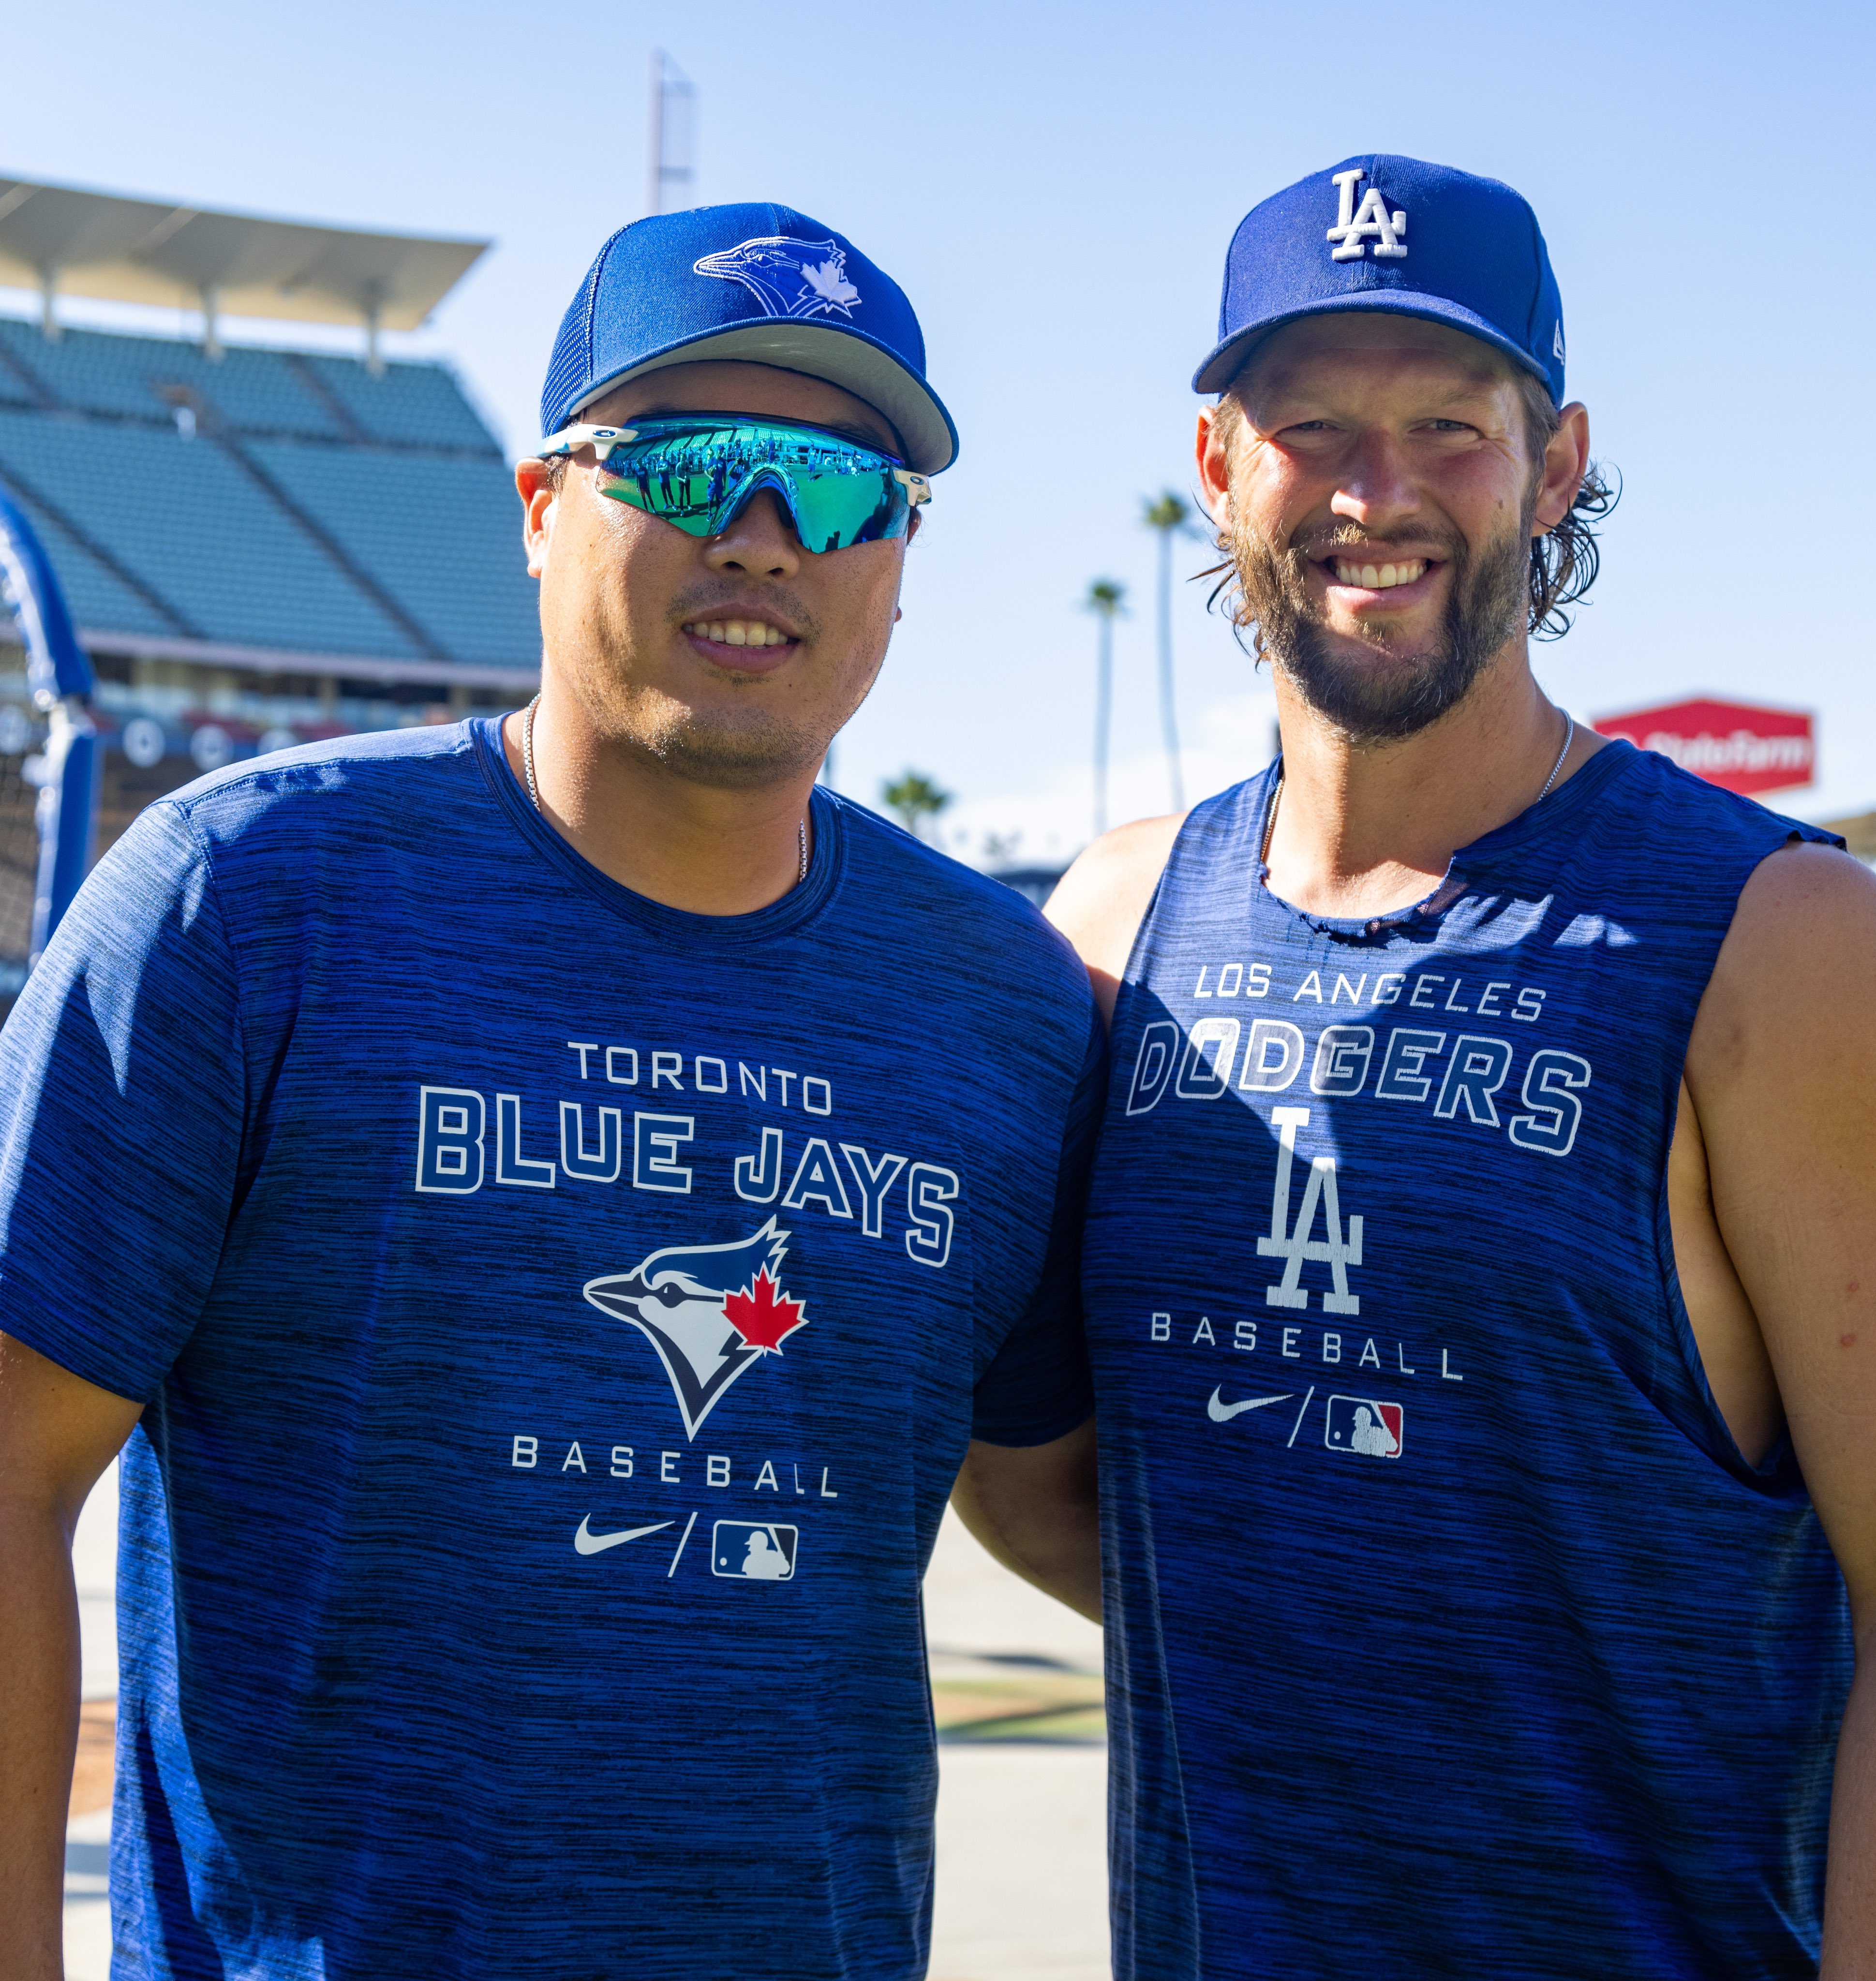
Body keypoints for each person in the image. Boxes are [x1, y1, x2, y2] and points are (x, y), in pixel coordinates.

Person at [0, 203, 1101, 1980]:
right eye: (687, 468)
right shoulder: (249, 898)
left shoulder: (1000, 1006)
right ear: (537, 509)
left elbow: (1064, 1492)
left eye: (838, 492)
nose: (764, 538)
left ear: (897, 560)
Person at [1047, 155, 1876, 1976]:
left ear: (1556, 465)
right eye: (1311, 426)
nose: (1375, 495)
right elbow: (1051, 1475)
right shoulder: (1109, 931)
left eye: (1450, 429)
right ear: (1220, 468)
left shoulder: (1781, 944)